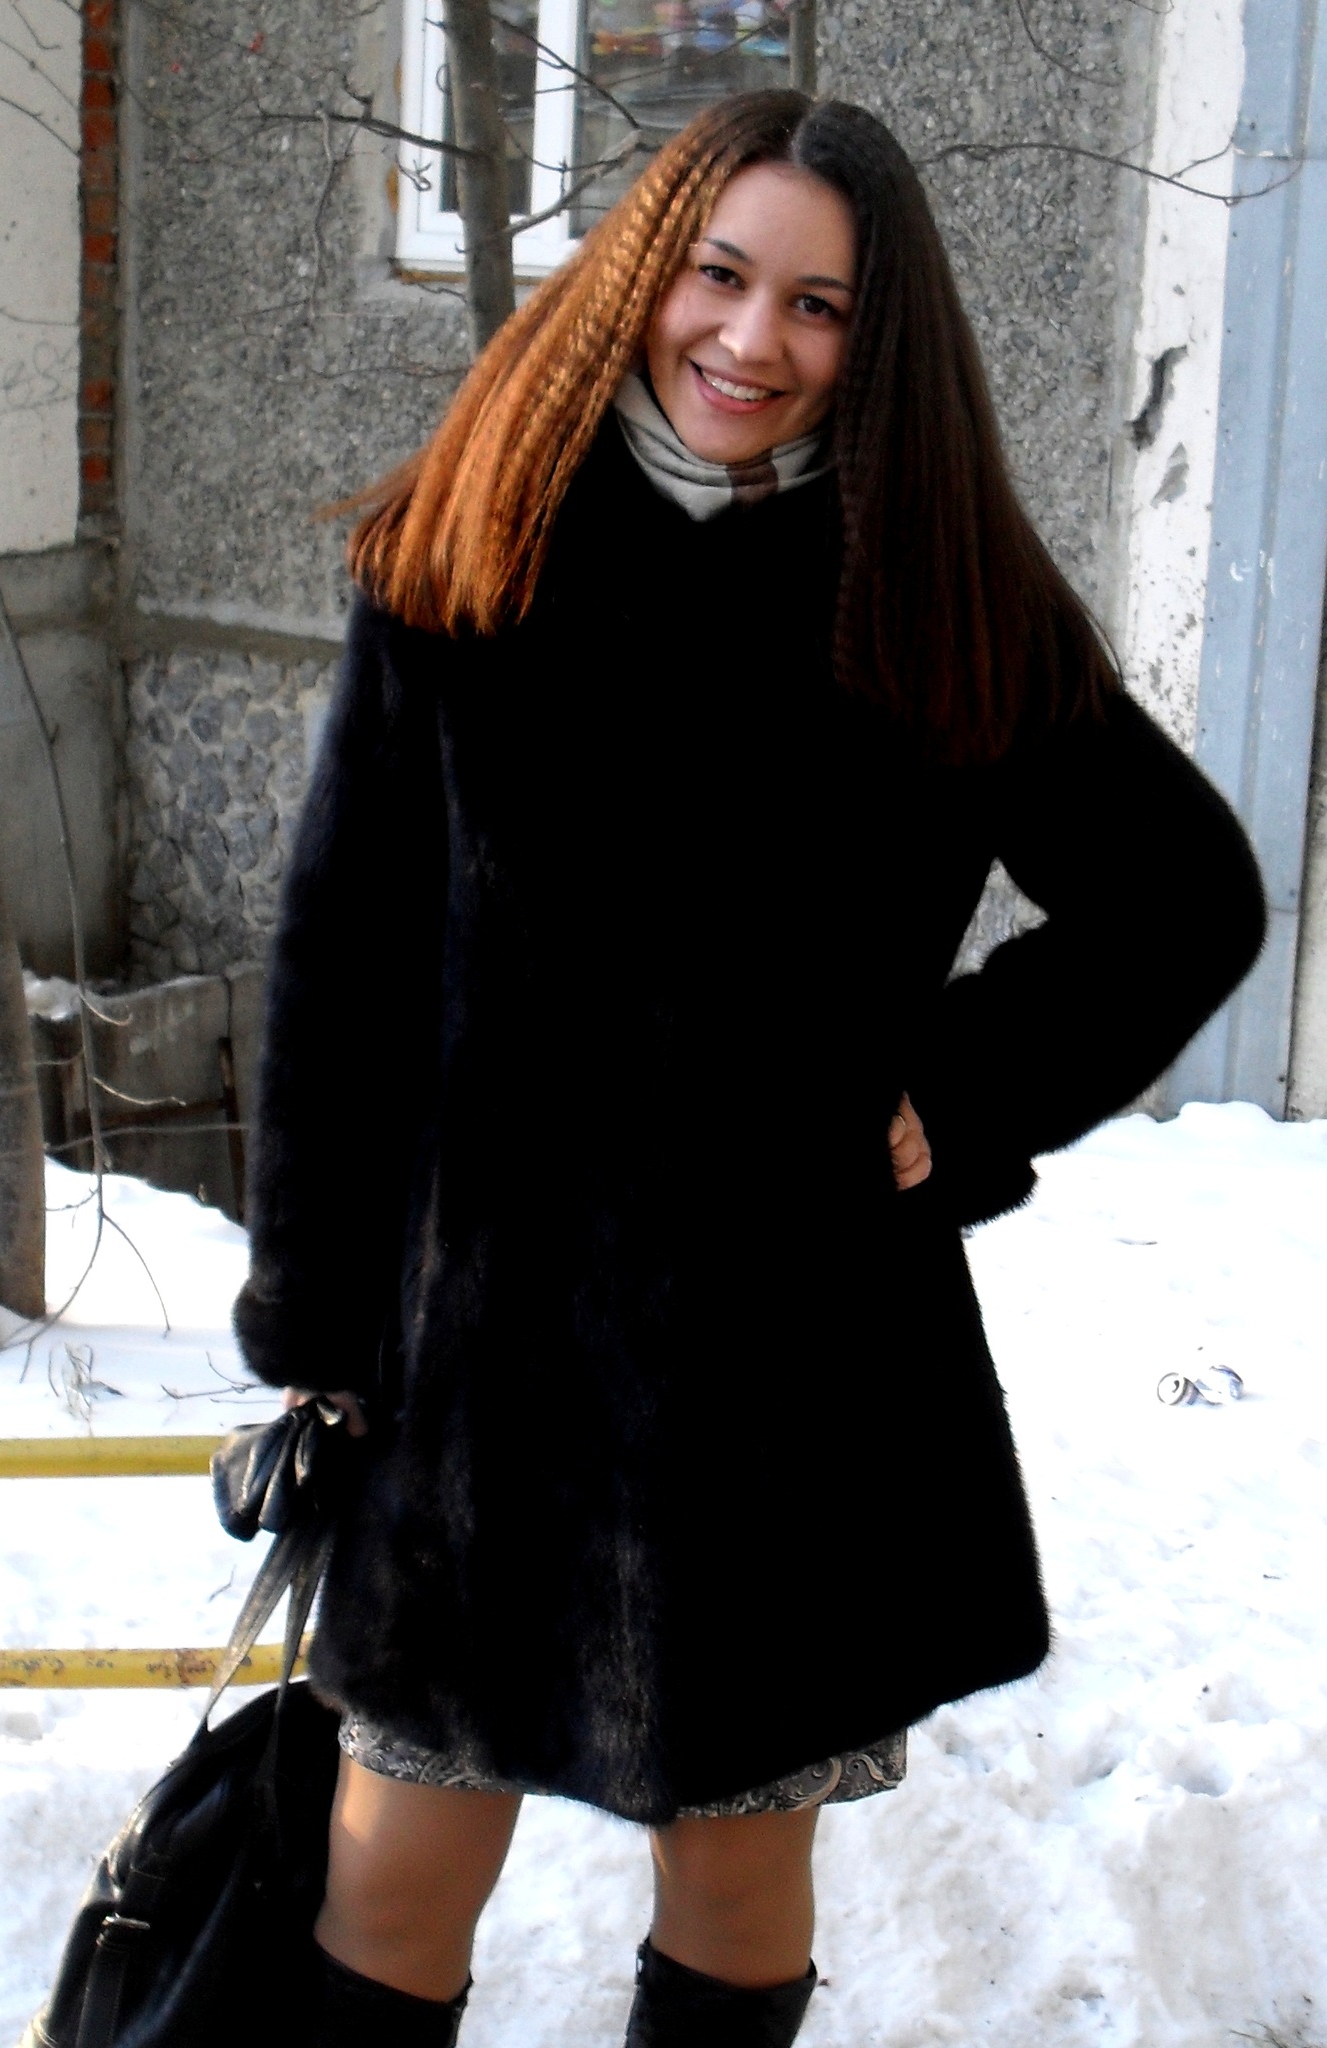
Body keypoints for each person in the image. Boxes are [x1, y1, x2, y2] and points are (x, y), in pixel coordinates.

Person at [233, 90, 1265, 2047]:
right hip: (481, 1370)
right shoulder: (472, 541)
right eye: (717, 276)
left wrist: (956, 1093)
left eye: (818, 306)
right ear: (645, 273)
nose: (750, 339)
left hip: (786, 1383)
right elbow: (341, 963)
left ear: (876, 341)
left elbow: (1182, 897)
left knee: (728, 1882)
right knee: (387, 1879)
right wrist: (316, 1313)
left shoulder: (930, 585)